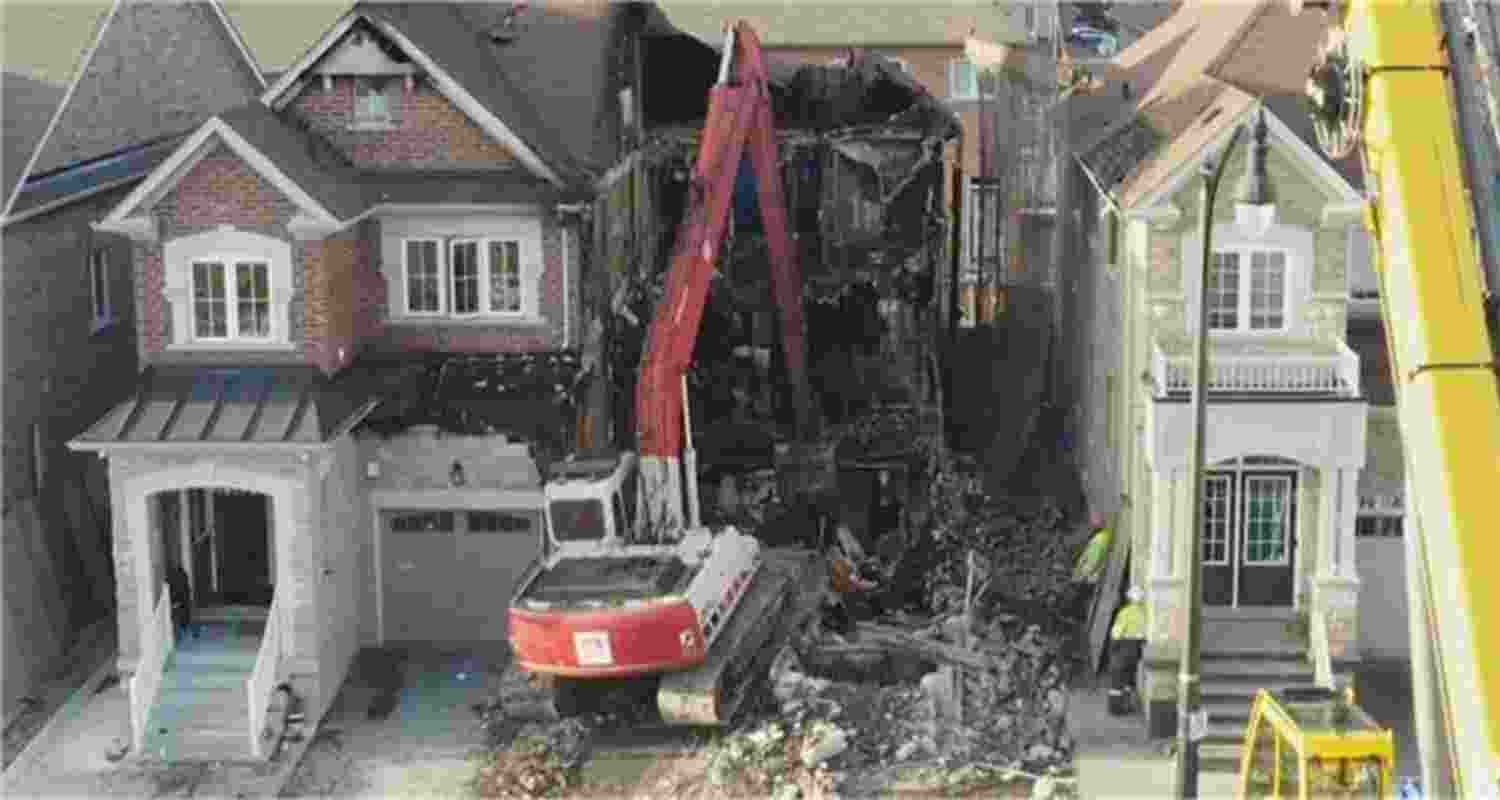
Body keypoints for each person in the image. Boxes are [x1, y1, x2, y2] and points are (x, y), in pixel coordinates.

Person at [1107, 587, 1147, 715]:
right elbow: (1145, 633)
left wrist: (1112, 647)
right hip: (1136, 650)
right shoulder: (1144, 613)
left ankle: (1115, 708)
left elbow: (1116, 633)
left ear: (1129, 598)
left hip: (1123, 647)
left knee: (1117, 679)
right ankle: (1127, 705)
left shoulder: (1125, 613)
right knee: (1129, 679)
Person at [1071, 512, 1112, 621]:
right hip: (1092, 576)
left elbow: (1093, 560)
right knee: (1084, 598)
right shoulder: (1102, 537)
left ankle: (1081, 617)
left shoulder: (1099, 540)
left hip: (1090, 578)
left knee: (1082, 599)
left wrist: (1082, 575)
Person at [167, 563, 197, 642]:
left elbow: (177, 588)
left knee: (180, 616)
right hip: (182, 599)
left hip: (179, 599)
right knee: (183, 616)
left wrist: (174, 601)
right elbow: (185, 588)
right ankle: (186, 632)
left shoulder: (174, 576)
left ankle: (183, 633)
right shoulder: (182, 575)